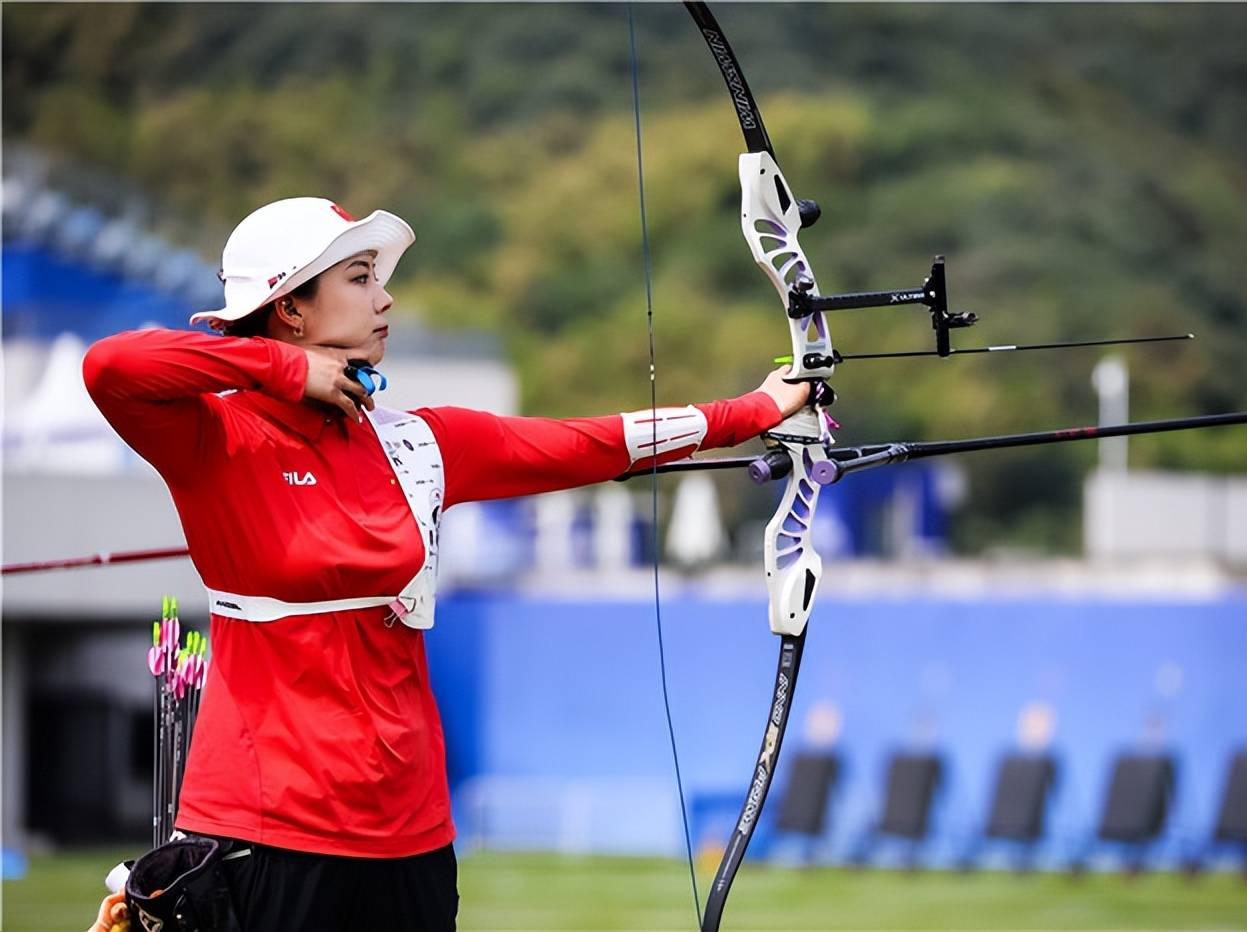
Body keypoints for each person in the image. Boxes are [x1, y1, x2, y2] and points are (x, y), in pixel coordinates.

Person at [83, 197, 810, 931]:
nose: (385, 296)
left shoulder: (419, 444)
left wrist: (754, 408)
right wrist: (280, 368)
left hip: (412, 830)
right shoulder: (214, 436)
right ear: (290, 307)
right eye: (360, 277)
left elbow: (591, 443)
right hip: (265, 829)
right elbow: (112, 366)